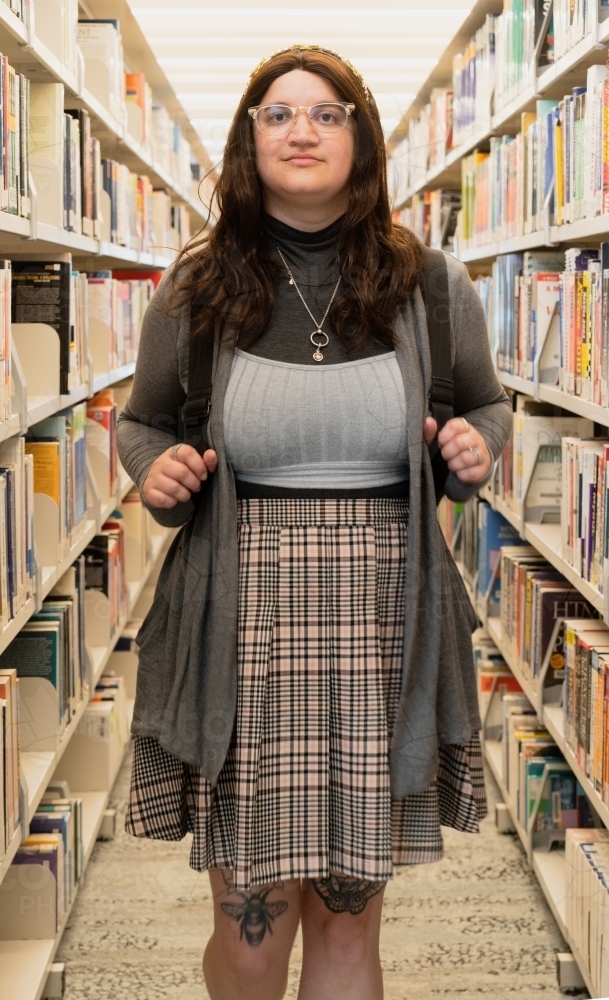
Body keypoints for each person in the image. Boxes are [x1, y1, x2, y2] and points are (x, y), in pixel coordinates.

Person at [117, 45, 511, 1000]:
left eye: (327, 114)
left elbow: (484, 406)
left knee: (346, 927)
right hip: (238, 627)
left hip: (384, 625)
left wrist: (472, 447)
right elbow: (142, 419)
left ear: (361, 138)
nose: (302, 130)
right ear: (249, 139)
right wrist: (155, 471)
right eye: (278, 113)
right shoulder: (198, 286)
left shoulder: (430, 284)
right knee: (252, 933)